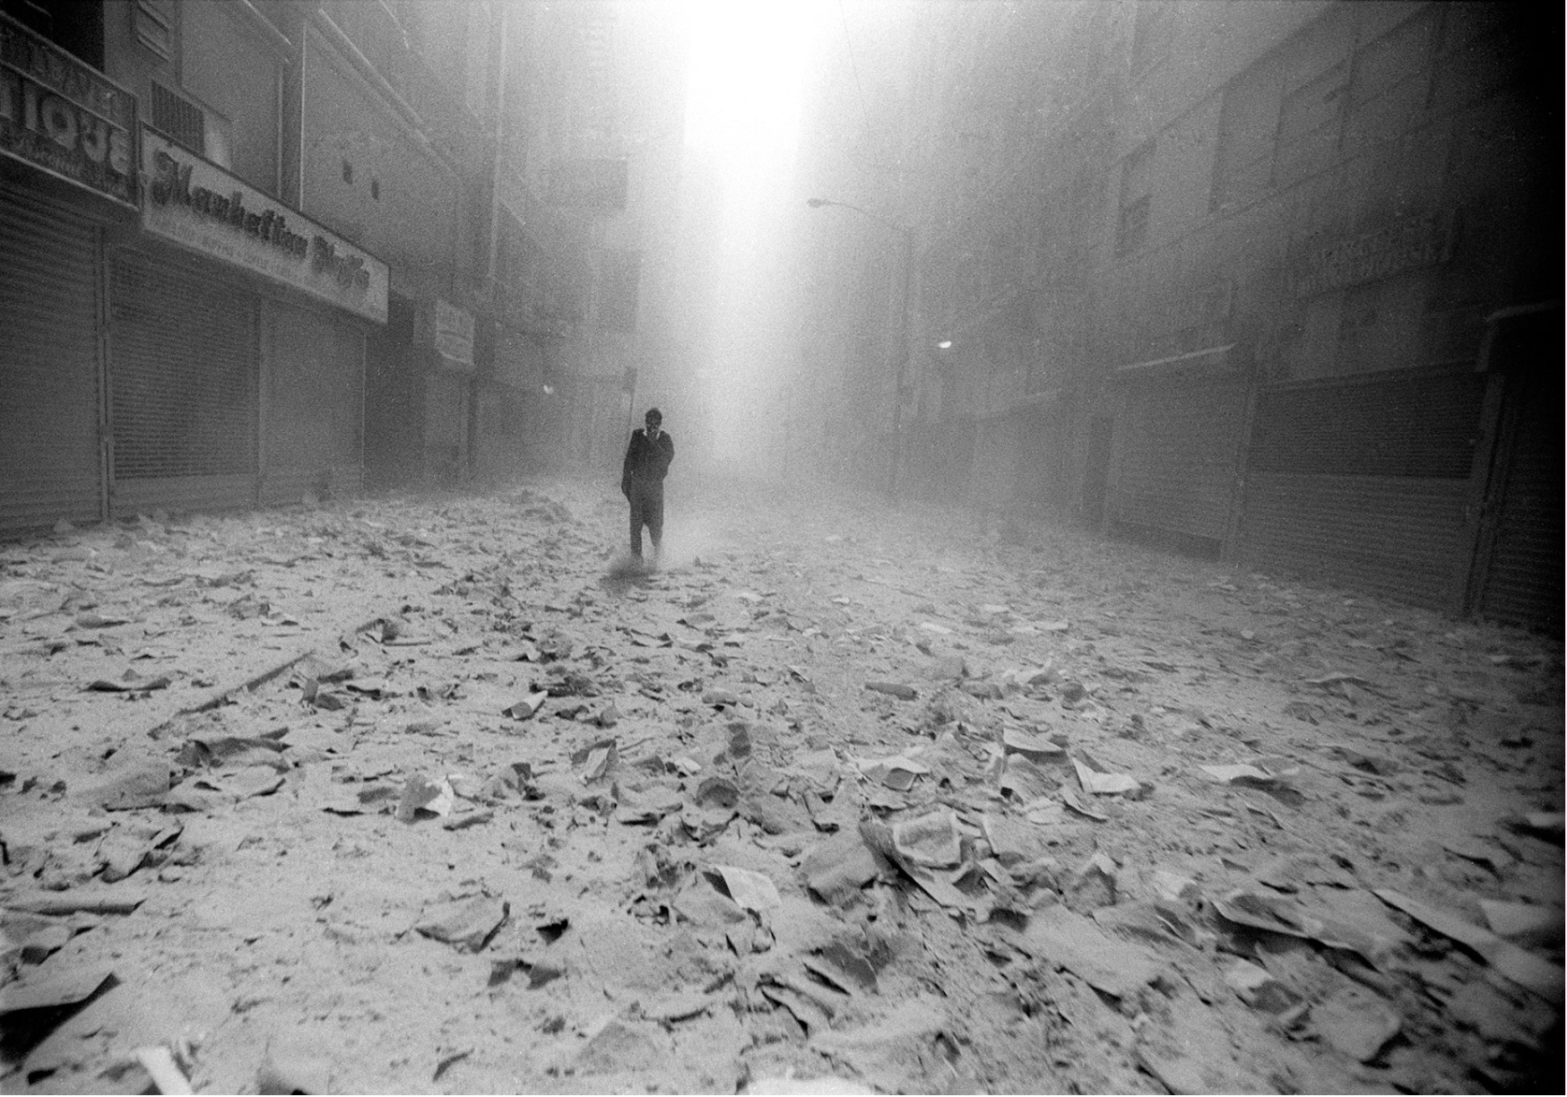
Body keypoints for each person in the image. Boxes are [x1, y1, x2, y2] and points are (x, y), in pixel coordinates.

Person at [621, 407, 674, 565]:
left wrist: (655, 444)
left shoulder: (665, 440)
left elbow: (666, 461)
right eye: (648, 422)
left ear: (659, 423)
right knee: (635, 523)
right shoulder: (637, 436)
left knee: (655, 524)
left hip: (655, 486)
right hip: (638, 483)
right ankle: (636, 558)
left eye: (655, 422)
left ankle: (658, 555)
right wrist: (626, 478)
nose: (651, 425)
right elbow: (629, 458)